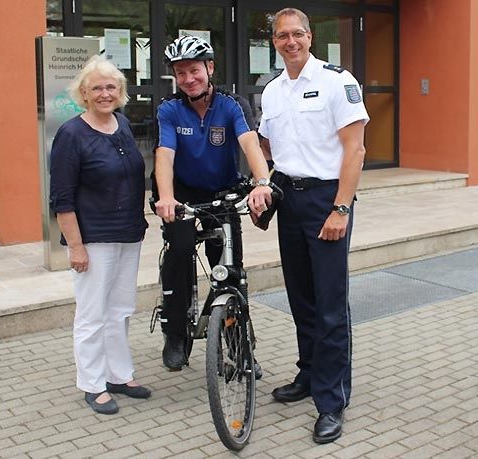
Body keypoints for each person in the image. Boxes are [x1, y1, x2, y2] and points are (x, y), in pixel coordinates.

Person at [258, 9, 369, 443]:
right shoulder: (272, 91)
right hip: (290, 199)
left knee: (329, 303)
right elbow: (268, 147)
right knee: (301, 297)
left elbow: (355, 150)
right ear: (273, 41)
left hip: (328, 198)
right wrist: (263, 185)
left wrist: (341, 208)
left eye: (297, 34)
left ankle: (331, 400)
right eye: (282, 35)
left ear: (310, 36)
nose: (291, 41)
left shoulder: (337, 82)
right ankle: (308, 375)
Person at [153, 35, 273, 371]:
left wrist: (261, 183)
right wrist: (165, 198)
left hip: (223, 194)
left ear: (210, 68)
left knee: (230, 270)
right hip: (182, 195)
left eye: (194, 70)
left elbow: (251, 145)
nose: (188, 79)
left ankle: (238, 346)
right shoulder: (170, 109)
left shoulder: (231, 105)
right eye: (180, 73)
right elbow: (164, 156)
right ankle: (176, 334)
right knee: (178, 253)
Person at [50, 55, 151, 415]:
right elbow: (61, 198)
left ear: (120, 92)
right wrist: (75, 246)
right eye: (97, 88)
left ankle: (119, 375)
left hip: (128, 235)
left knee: (120, 309)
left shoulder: (121, 124)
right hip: (93, 239)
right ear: (84, 94)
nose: (105, 94)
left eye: (111, 87)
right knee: (92, 314)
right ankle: (92, 383)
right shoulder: (71, 134)